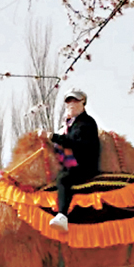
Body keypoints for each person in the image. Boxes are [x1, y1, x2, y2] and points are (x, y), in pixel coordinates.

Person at [47, 89, 100, 232]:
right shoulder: (69, 125)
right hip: (71, 164)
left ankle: (62, 215)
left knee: (64, 178)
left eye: (75, 100)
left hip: (84, 165)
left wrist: (53, 137)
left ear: (83, 103)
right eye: (68, 101)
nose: (71, 104)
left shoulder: (86, 123)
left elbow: (73, 143)